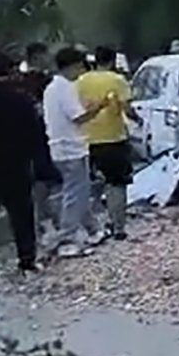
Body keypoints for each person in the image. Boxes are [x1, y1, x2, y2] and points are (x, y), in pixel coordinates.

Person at [43, 47, 110, 257]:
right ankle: (67, 239)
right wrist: (99, 106)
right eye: (80, 66)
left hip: (60, 146)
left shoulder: (52, 88)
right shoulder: (64, 88)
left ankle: (93, 230)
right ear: (72, 66)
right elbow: (78, 117)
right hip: (71, 148)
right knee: (75, 194)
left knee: (80, 191)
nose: (81, 71)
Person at [0, 51, 44, 272]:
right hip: (17, 164)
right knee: (21, 214)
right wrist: (37, 160)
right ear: (10, 71)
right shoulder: (22, 99)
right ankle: (26, 259)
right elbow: (35, 132)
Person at [77, 46, 133, 240]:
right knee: (116, 184)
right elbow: (126, 108)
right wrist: (138, 119)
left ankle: (92, 227)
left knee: (90, 185)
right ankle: (118, 227)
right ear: (113, 61)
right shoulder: (117, 81)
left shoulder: (81, 81)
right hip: (113, 138)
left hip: (85, 140)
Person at [15, 43, 62, 247]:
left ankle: (46, 220)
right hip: (39, 136)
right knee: (42, 179)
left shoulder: (21, 81)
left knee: (43, 180)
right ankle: (44, 221)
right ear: (37, 56)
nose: (48, 58)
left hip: (32, 137)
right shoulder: (38, 82)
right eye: (45, 55)